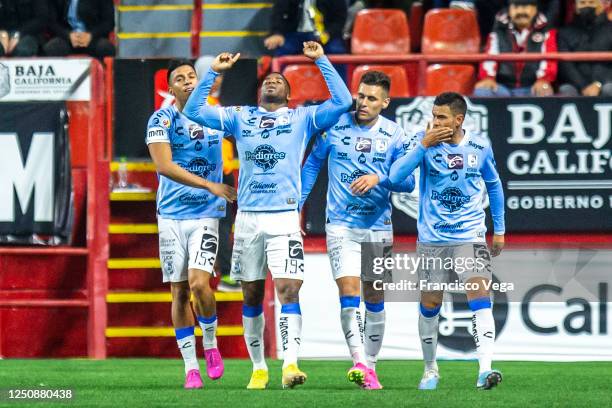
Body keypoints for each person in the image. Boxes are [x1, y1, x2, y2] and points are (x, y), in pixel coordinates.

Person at [184, 42, 352, 390]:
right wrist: (214, 71)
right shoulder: (240, 116)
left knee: (289, 289)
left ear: (289, 94)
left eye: (278, 82)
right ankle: (259, 367)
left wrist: (320, 60)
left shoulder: (302, 118)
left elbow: (343, 103)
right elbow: (194, 109)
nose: (271, 83)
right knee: (251, 295)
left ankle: (290, 365)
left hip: (284, 218)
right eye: (267, 81)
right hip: (247, 219)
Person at [300, 71, 415, 390]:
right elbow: (312, 165)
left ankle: (372, 364)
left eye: (371, 99)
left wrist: (379, 177)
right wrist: (298, 203)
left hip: (377, 228)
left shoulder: (395, 134)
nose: (363, 103)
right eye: (361, 96)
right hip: (340, 226)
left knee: (375, 296)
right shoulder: (335, 125)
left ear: (385, 102)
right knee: (349, 293)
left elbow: (408, 182)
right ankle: (360, 363)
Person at [389, 92, 506, 390]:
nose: (435, 121)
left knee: (480, 296)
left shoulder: (480, 145)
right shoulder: (424, 141)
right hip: (433, 238)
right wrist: (423, 145)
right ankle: (430, 370)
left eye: (441, 117)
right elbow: (395, 177)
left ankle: (485, 370)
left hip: (471, 235)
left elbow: (494, 185)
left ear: (458, 119)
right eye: (434, 116)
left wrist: (500, 229)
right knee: (430, 304)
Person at [145, 60, 237, 389]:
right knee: (179, 292)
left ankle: (210, 345)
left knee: (200, 284)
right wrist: (210, 184)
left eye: (191, 77)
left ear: (201, 83)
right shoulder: (161, 118)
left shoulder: (217, 116)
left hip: (205, 216)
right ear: (170, 88)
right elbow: (164, 166)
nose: (186, 82)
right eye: (179, 79)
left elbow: (252, 137)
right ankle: (190, 368)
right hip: (170, 216)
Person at [474, 0, 557, 97]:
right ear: (509, 9)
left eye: (526, 7)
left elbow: (549, 59)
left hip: (532, 86)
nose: (521, 11)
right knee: (483, 91)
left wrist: (543, 80)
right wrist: (488, 77)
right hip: (503, 87)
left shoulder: (545, 29)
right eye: (516, 7)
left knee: (545, 90)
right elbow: (490, 54)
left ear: (535, 9)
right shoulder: (499, 27)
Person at [558, 0, 612, 97]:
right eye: (582, 3)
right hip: (576, 85)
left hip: (606, 82)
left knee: (610, 88)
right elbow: (566, 65)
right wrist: (583, 86)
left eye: (591, 2)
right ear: (576, 7)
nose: (587, 6)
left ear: (601, 5)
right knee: (565, 90)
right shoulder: (565, 33)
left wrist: (598, 84)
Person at [264, 0, 347, 56]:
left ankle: (339, 82)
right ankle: (282, 81)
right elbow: (278, 13)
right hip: (296, 35)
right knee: (283, 50)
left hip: (325, 34)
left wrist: (329, 33)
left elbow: (340, 18)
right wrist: (277, 33)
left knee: (336, 51)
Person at [43, 0, 115, 58]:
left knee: (105, 48)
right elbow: (51, 22)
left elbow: (109, 22)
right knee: (52, 48)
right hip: (67, 37)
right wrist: (68, 35)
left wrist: (91, 35)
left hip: (93, 38)